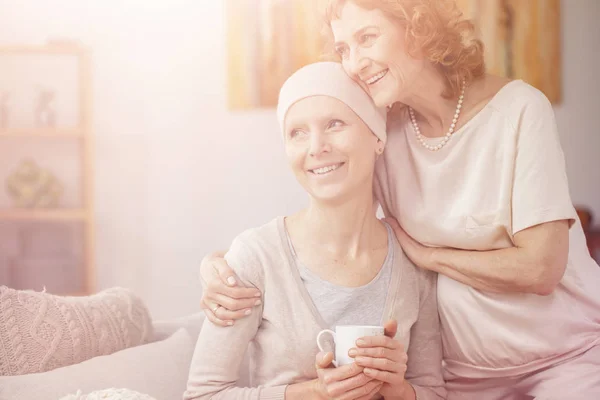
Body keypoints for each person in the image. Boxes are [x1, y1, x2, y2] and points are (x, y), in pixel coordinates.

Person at [199, 0, 600, 398]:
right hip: (463, 373)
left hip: (564, 356)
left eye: (367, 38)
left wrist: (431, 258)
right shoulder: (384, 131)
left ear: (418, 27)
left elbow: (542, 268)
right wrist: (222, 267)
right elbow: (328, 229)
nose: (354, 63)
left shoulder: (519, 110)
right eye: (343, 49)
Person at [184, 62, 445, 400]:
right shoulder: (257, 257)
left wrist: (397, 388)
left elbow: (434, 393)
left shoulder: (413, 261)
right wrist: (312, 393)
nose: (315, 146)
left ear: (377, 137)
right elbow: (202, 394)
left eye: (334, 124)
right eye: (297, 132)